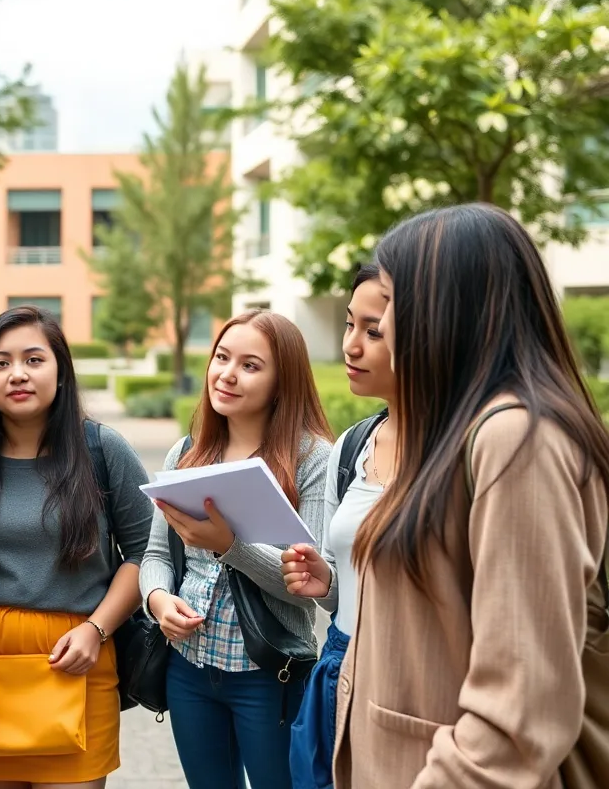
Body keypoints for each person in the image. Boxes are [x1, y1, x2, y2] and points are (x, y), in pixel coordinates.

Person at [332, 204, 609, 788]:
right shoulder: (451, 429)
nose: (375, 334)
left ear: (446, 309)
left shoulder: (517, 440)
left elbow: (518, 714)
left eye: (391, 312)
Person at [0, 306, 152, 788]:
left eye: (33, 359)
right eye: (0, 363)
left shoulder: (103, 450)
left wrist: (96, 629)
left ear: (60, 371)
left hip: (76, 661)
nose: (17, 374)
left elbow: (147, 552)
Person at [139, 309, 334, 789]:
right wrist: (158, 602)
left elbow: (305, 588)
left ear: (281, 380)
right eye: (222, 357)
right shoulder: (187, 451)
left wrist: (230, 546)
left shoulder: (313, 460)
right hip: (189, 671)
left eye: (250, 365)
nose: (227, 374)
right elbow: (156, 556)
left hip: (271, 673)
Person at [279, 263, 397, 789]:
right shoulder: (354, 445)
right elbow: (340, 586)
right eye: (350, 324)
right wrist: (326, 582)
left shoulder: (469, 453)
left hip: (405, 682)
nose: (351, 345)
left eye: (373, 331)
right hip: (337, 663)